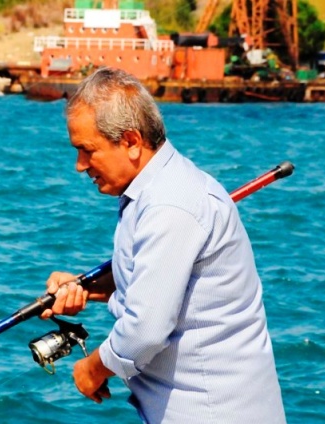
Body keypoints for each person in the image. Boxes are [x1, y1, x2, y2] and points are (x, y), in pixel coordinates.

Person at [41, 67, 286, 424]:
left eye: (87, 150)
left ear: (131, 142)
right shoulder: (156, 191)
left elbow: (145, 330)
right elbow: (158, 282)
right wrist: (86, 288)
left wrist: (92, 368)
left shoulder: (170, 205)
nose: (80, 166)